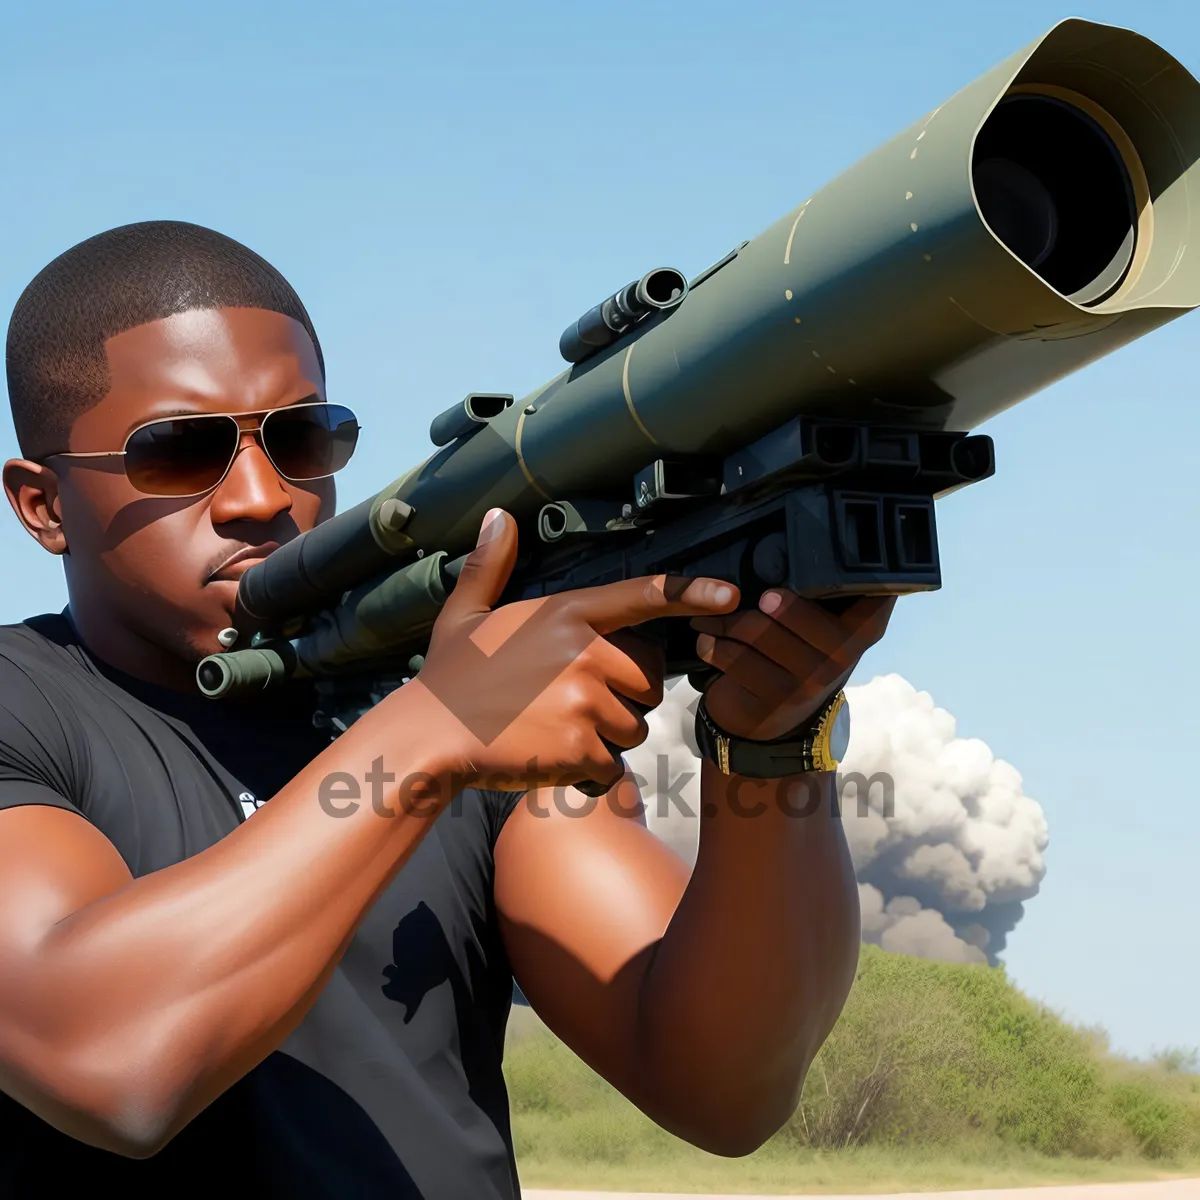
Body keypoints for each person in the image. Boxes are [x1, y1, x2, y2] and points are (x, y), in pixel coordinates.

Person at [0, 220, 894, 1196]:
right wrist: (440, 729)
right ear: (42, 504)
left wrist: (769, 743)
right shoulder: (31, 708)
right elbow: (110, 1061)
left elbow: (723, 1088)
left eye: (303, 438)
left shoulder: (458, 711)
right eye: (177, 453)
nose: (262, 496)